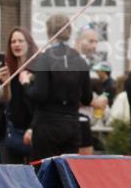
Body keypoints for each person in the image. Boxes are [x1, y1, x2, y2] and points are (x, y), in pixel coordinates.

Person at [26, 14, 93, 161]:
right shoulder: (80, 60)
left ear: (49, 32)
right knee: (66, 174)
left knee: (43, 174)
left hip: (48, 125)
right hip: (72, 125)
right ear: (68, 32)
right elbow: (87, 98)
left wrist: (26, 84)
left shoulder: (45, 58)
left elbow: (40, 94)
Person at [0, 27, 38, 164]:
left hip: (32, 130)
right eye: (13, 41)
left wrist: (32, 127)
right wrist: (5, 84)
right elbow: (6, 100)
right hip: (10, 131)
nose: (16, 44)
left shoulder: (38, 69)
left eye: (20, 41)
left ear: (28, 43)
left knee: (33, 176)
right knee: (7, 178)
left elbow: (40, 102)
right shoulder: (9, 69)